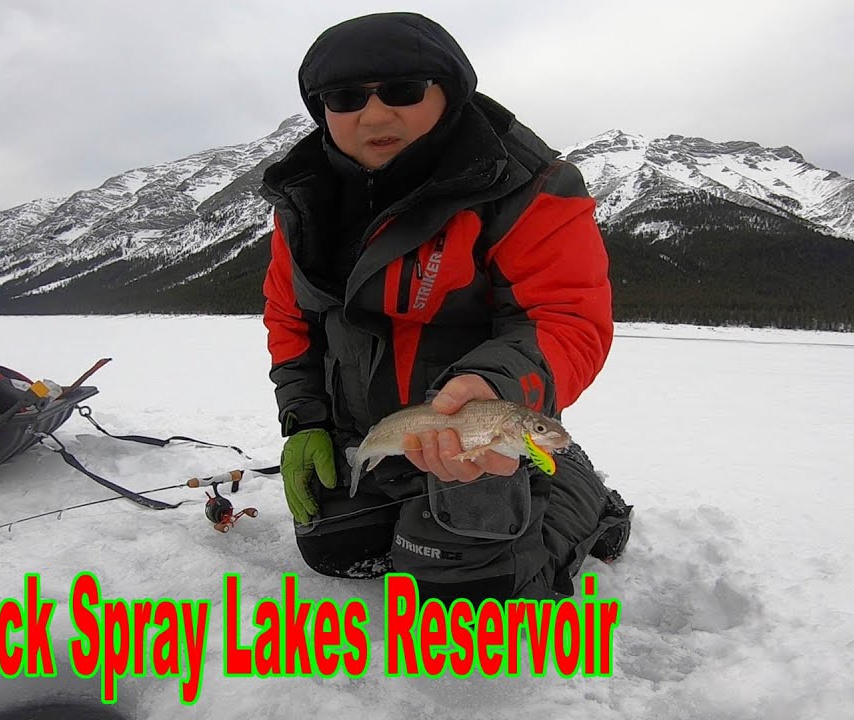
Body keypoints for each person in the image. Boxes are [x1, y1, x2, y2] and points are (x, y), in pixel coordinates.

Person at [260, 11, 631, 602]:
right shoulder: (301, 204)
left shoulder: (527, 187)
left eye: (403, 91)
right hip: (376, 433)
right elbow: (291, 321)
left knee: (469, 596)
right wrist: (305, 420)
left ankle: (577, 494)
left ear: (450, 92)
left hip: (474, 432)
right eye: (346, 97)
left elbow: (567, 318)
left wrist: (493, 387)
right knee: (334, 548)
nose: (375, 116)